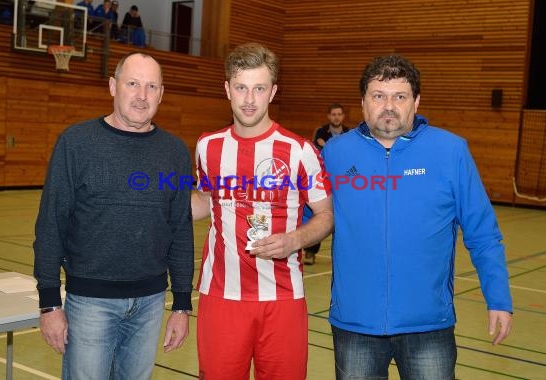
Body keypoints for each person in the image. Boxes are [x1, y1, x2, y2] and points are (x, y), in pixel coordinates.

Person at [322, 54, 513, 379]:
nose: (389, 106)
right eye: (378, 96)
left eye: (400, 96)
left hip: (428, 325)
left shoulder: (451, 151)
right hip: (355, 324)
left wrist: (498, 298)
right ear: (363, 102)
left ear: (416, 101)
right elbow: (305, 217)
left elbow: (483, 233)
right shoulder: (335, 154)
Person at [33, 52, 194, 380]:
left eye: (152, 86)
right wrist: (49, 303)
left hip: (150, 304)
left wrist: (181, 304)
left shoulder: (175, 152)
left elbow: (180, 228)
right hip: (90, 303)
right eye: (132, 83)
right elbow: (51, 222)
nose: (142, 95)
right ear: (112, 86)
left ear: (161, 94)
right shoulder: (76, 144)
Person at [191, 42, 334, 380]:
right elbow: (205, 201)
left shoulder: (300, 151)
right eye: (241, 87)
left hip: (283, 297)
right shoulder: (207, 146)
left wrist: (295, 240)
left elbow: (326, 215)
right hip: (221, 297)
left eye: (259, 88)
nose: (249, 99)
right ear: (227, 89)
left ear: (273, 92)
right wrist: (155, 202)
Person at [304, 103, 350, 264]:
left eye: (339, 114)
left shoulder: (349, 133)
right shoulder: (320, 131)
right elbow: (314, 154)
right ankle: (310, 251)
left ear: (343, 116)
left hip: (343, 182)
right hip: (323, 181)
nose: (336, 117)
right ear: (329, 116)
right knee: (317, 216)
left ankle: (345, 255)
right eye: (333, 114)